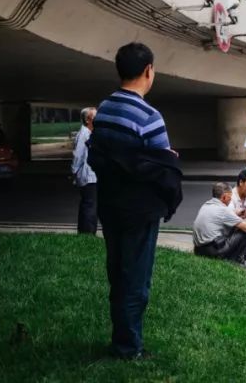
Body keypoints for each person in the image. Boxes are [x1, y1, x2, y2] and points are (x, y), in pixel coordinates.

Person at [88, 42, 183, 361]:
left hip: (110, 203)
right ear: (148, 71)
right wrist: (169, 159)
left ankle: (121, 337)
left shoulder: (104, 109)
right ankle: (128, 347)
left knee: (117, 271)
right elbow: (162, 167)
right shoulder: (149, 116)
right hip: (139, 210)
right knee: (136, 277)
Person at [192, 182, 246, 264]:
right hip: (214, 252)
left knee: (236, 226)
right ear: (224, 196)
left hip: (198, 250)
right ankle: (235, 260)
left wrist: (236, 214)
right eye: (230, 197)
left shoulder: (206, 205)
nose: (230, 199)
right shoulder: (224, 210)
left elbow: (220, 216)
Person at [72, 107, 98, 234]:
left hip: (93, 176)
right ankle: (87, 233)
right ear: (88, 120)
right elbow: (78, 155)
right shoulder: (83, 135)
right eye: (95, 117)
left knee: (89, 204)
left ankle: (85, 232)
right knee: (89, 205)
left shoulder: (92, 133)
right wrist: (75, 172)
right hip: (88, 176)